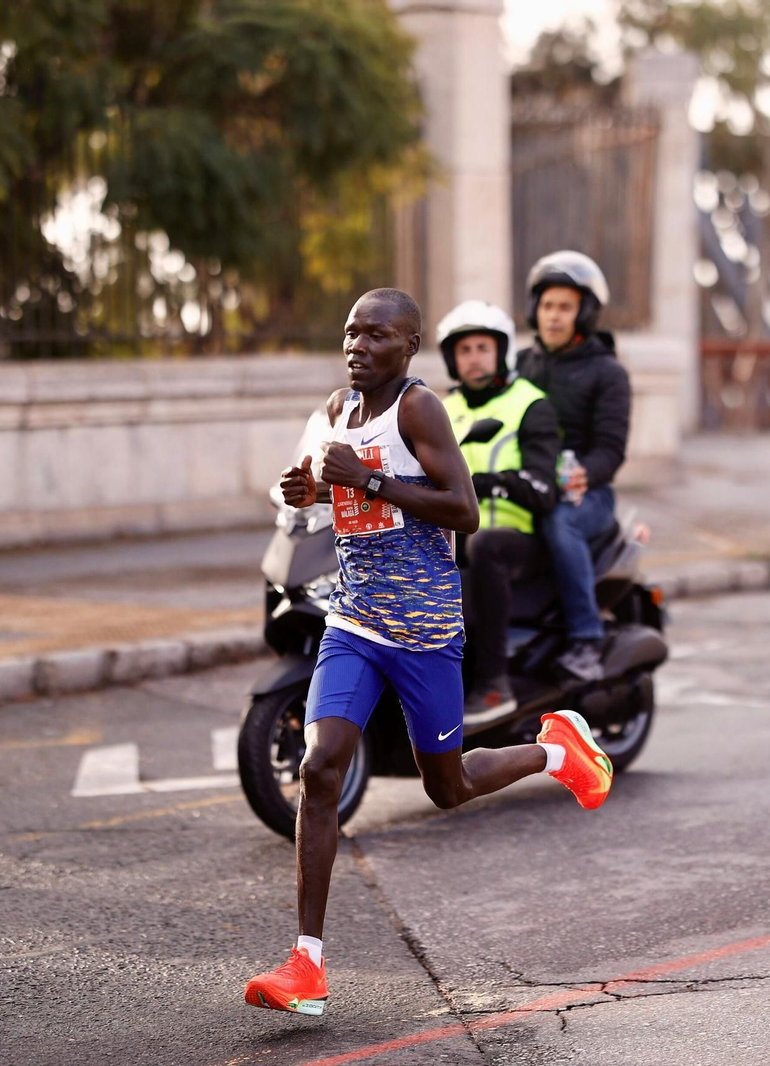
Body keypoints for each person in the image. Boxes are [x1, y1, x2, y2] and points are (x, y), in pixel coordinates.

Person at [244, 288, 615, 1018]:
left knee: (445, 787)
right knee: (321, 770)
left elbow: (464, 508)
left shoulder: (418, 409)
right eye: (351, 333)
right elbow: (308, 497)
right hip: (353, 620)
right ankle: (307, 966)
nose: (359, 347)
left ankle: (557, 750)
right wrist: (301, 490)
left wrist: (374, 480)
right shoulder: (332, 411)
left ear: (408, 346)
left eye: (377, 336)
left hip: (424, 630)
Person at [436, 300, 561, 724]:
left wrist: (491, 483)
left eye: (483, 347)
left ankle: (493, 685)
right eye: (465, 349)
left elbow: (544, 488)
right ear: (452, 358)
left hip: (519, 538)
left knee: (486, 545)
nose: (474, 357)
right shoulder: (441, 410)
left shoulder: (530, 404)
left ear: (502, 352)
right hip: (456, 538)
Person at [517, 251, 631, 682]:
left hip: (588, 495)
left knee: (560, 523)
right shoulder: (520, 365)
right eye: (547, 306)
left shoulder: (607, 373)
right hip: (529, 482)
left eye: (565, 307)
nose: (554, 317)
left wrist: (586, 473)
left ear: (584, 313)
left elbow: (611, 450)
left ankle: (586, 638)